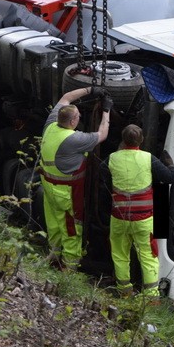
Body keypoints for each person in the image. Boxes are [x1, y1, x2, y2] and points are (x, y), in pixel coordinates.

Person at [38, 86, 111, 271]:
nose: (80, 117)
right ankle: (69, 269)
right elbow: (103, 134)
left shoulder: (51, 123)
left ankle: (53, 255)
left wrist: (90, 89)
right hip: (66, 192)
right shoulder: (73, 139)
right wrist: (107, 111)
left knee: (54, 223)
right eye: (78, 116)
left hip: (48, 186)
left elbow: (66, 97)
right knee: (71, 228)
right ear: (72, 122)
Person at [105, 124, 174, 298]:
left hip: (119, 218)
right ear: (141, 140)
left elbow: (102, 175)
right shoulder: (148, 158)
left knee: (120, 254)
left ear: (123, 140)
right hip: (143, 219)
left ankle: (124, 292)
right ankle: (151, 296)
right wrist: (170, 164)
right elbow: (170, 178)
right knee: (148, 255)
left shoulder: (112, 158)